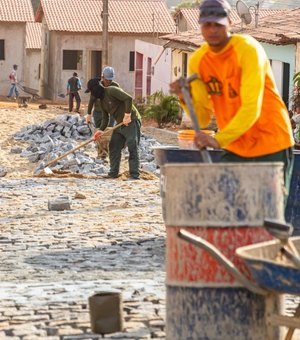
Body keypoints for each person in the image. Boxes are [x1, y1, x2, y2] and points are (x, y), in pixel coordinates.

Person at [170, 0, 294, 191]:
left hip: (270, 142)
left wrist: (219, 139)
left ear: (229, 22)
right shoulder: (199, 61)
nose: (212, 30)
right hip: (235, 146)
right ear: (200, 25)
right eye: (207, 24)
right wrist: (184, 97)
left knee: (267, 214)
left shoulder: (247, 50)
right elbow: (202, 117)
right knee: (227, 209)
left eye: (218, 24)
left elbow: (251, 107)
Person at [87, 78, 141, 180]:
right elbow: (105, 117)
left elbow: (128, 99)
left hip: (131, 120)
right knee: (114, 145)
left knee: (132, 144)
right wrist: (100, 130)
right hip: (120, 124)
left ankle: (134, 175)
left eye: (91, 92)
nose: (92, 95)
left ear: (96, 89)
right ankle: (113, 172)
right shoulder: (102, 102)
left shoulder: (112, 90)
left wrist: (127, 115)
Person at [86, 67, 119, 159]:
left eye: (110, 80)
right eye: (106, 79)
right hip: (98, 113)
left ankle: (107, 153)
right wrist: (89, 114)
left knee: (108, 133)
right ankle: (100, 153)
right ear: (102, 77)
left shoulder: (115, 86)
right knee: (99, 133)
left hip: (111, 114)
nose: (108, 81)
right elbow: (91, 100)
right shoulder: (97, 86)